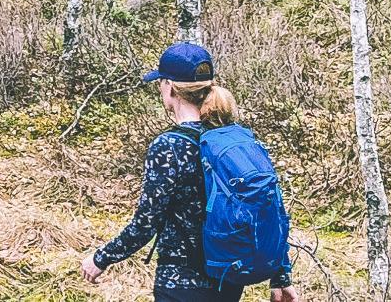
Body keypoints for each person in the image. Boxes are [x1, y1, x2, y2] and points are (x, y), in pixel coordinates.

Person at [80, 42, 298, 302]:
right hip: (226, 281)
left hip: (180, 284)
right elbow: (270, 209)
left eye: (160, 83)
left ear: (169, 86)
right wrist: (280, 275)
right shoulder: (232, 139)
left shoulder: (169, 145)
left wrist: (100, 258)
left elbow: (146, 223)